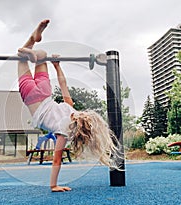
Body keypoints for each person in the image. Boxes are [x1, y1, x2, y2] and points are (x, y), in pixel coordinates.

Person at [17, 20, 121, 192]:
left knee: (41, 54)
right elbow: (57, 159)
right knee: (20, 56)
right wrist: (54, 185)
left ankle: (34, 42)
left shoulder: (71, 108)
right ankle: (29, 51)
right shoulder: (65, 132)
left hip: (45, 91)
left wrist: (57, 67)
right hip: (30, 98)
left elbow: (63, 83)